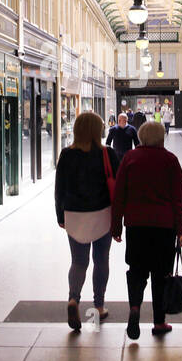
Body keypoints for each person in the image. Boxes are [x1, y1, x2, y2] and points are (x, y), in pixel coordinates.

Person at [111, 121, 182, 339]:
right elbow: (180, 198)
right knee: (161, 274)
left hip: (136, 226)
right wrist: (181, 229)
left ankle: (135, 308)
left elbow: (119, 196)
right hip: (164, 228)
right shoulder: (170, 160)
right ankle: (159, 321)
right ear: (162, 138)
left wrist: (116, 226)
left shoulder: (130, 158)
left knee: (137, 271)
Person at [56, 112, 120, 331]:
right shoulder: (107, 154)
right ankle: (98, 306)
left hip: (74, 215)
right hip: (101, 215)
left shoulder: (66, 154)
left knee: (78, 261)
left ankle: (73, 299)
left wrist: (60, 216)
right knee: (101, 260)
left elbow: (59, 190)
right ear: (97, 130)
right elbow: (118, 187)